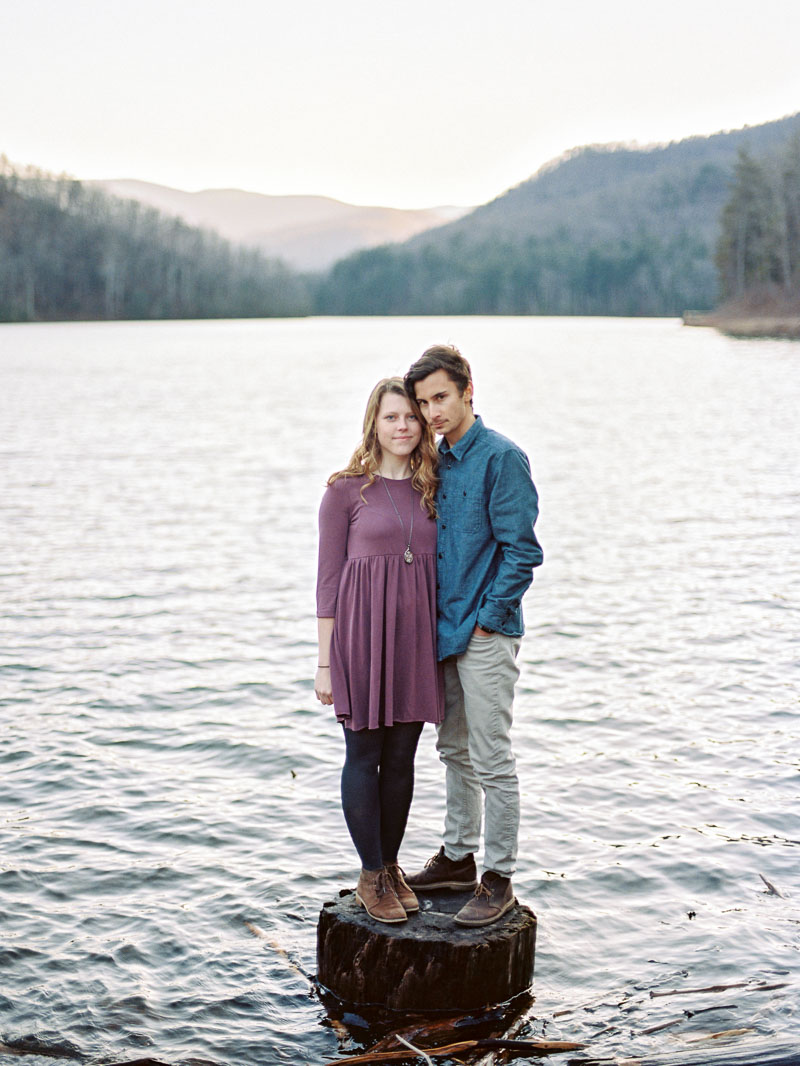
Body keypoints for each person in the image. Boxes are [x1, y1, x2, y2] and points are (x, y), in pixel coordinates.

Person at [403, 344, 543, 927]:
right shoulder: (437, 460)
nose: (431, 412)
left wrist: (488, 618)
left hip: (485, 633)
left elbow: (523, 551)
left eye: (440, 397)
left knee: (491, 758)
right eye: (422, 403)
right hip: (443, 633)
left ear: (467, 391)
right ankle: (457, 858)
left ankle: (498, 877)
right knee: (452, 750)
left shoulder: (501, 458)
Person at [315, 377, 444, 924]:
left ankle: (390, 865)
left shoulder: (435, 486)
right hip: (361, 639)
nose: (403, 427)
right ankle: (370, 873)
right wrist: (325, 662)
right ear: (374, 422)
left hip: (415, 639)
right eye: (392, 417)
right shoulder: (345, 491)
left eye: (411, 416)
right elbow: (327, 581)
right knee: (363, 756)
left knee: (401, 760)